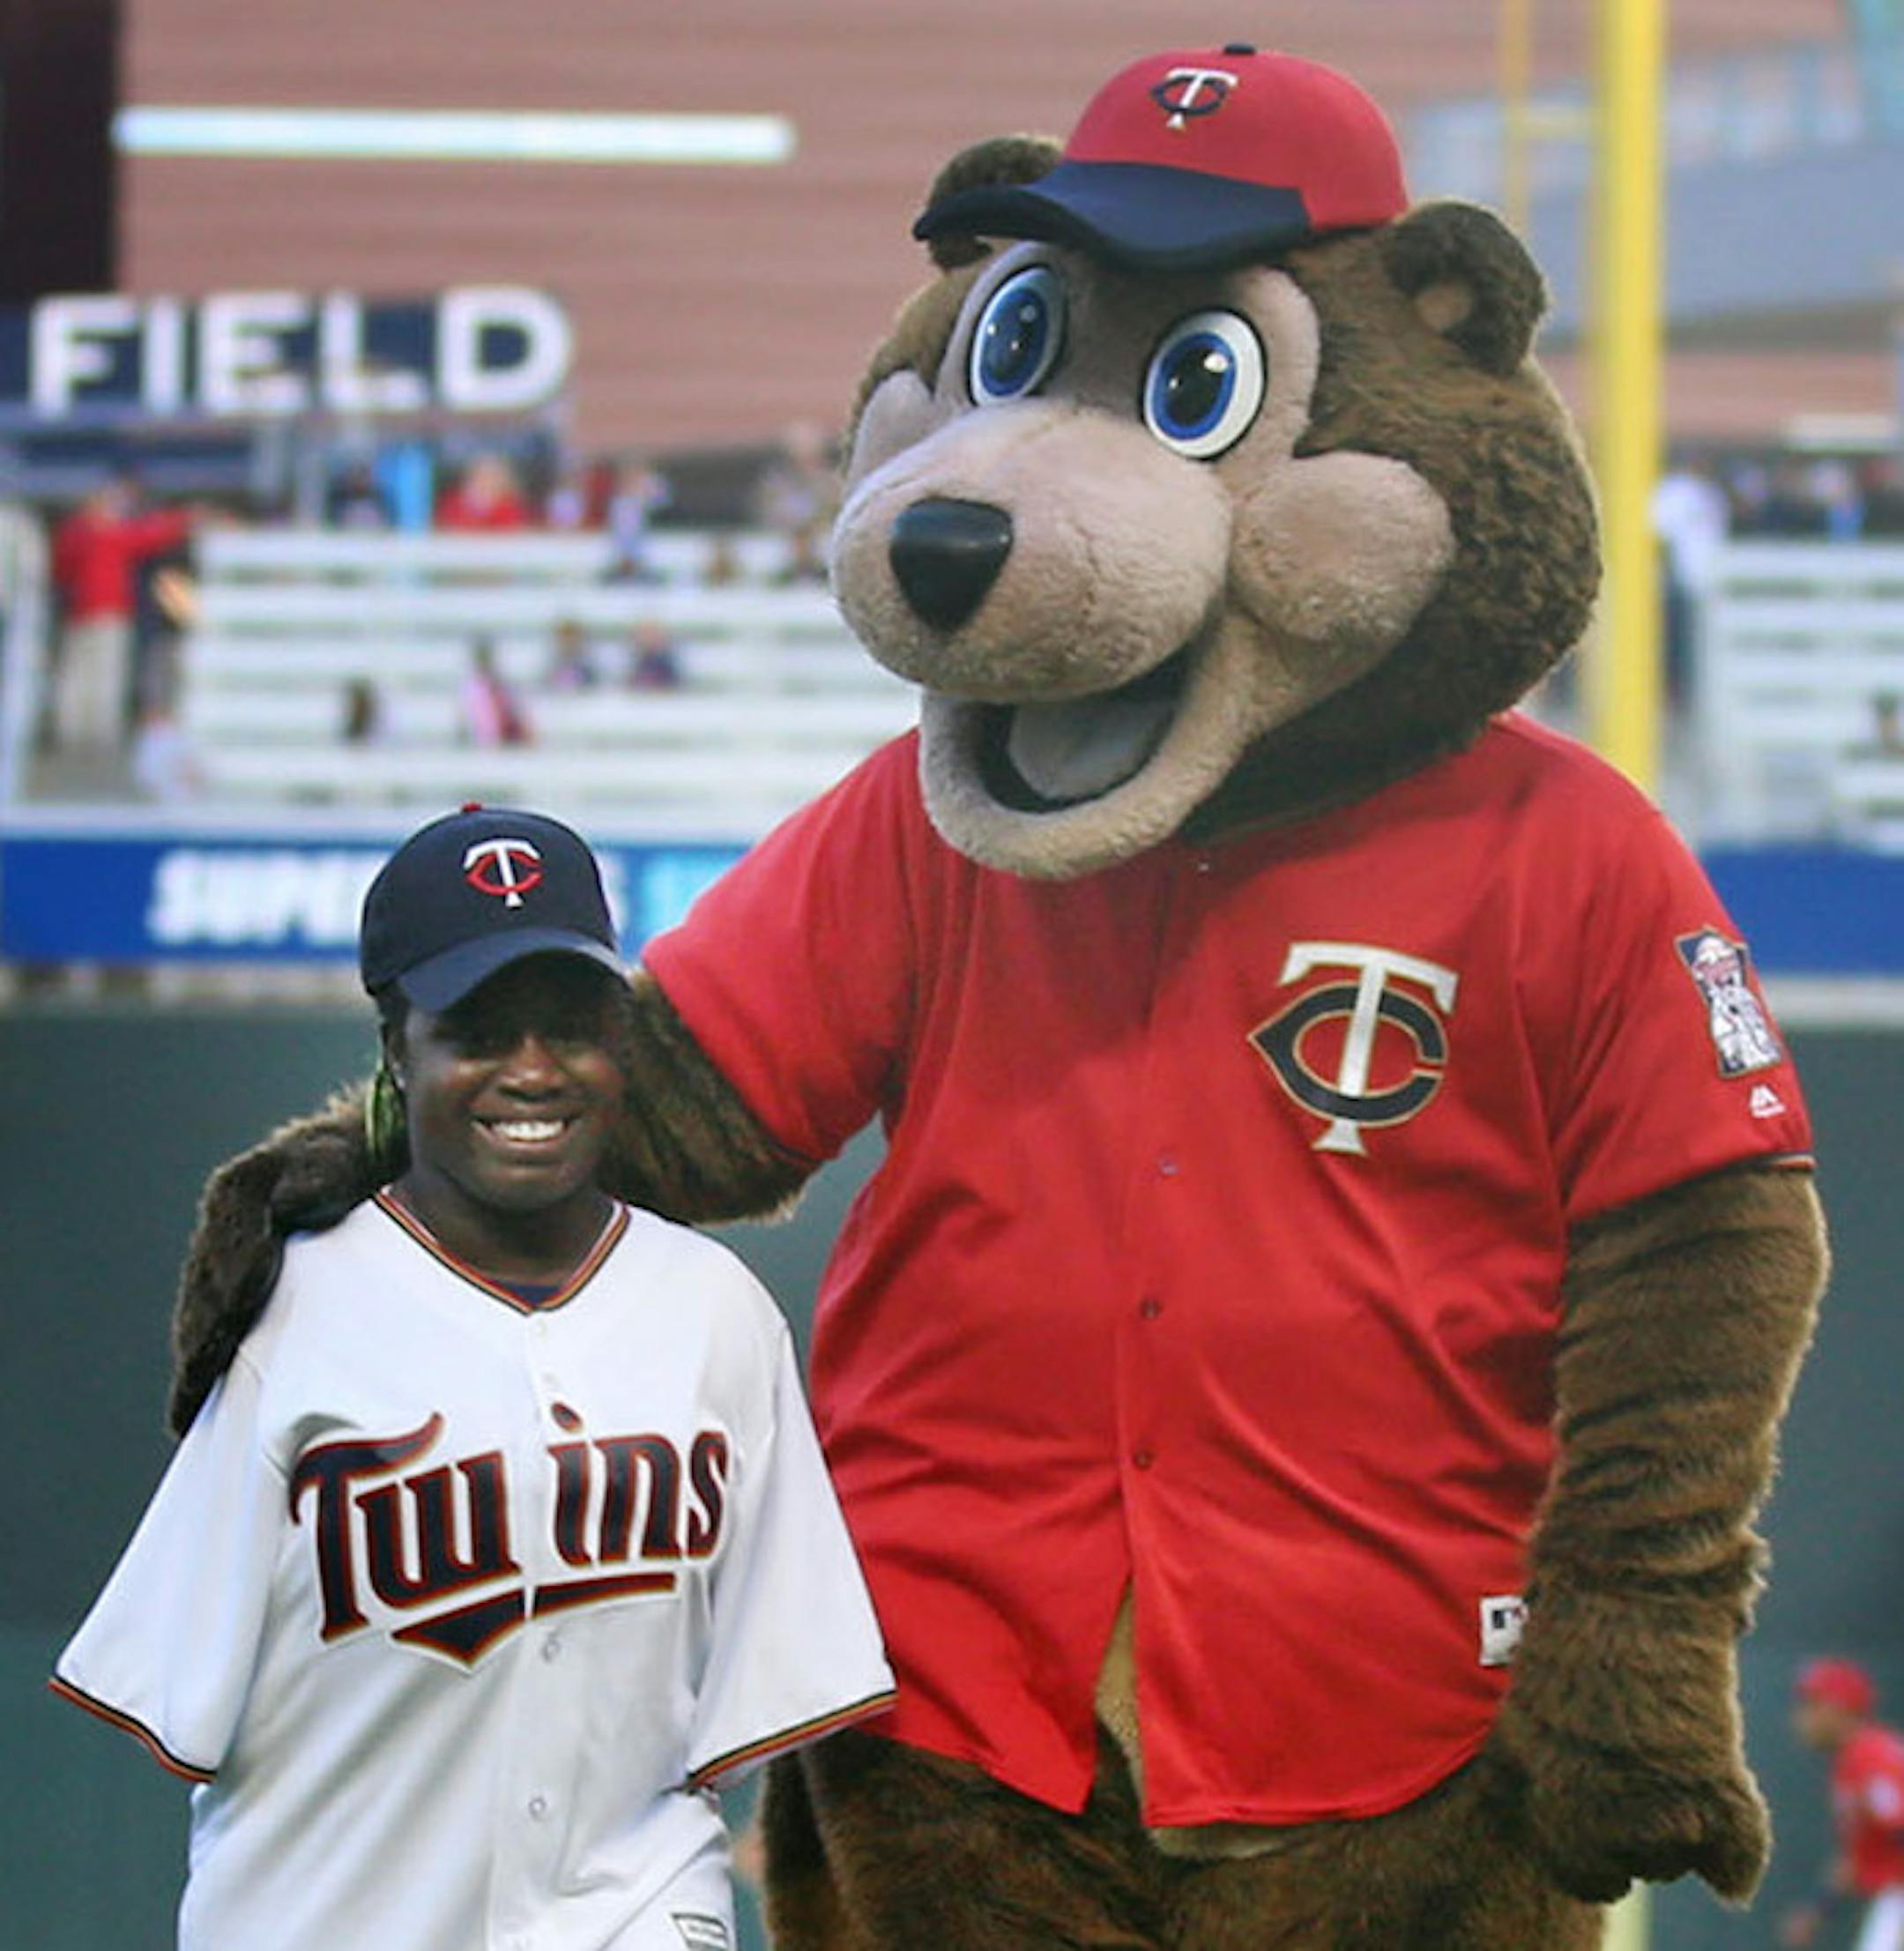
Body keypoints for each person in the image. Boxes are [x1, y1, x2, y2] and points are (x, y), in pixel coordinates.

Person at [50, 803, 895, 1951]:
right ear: (399, 1048)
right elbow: (170, 1687)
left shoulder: (716, 1316)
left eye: (572, 1026)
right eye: (480, 1031)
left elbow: (781, 1679)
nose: (533, 1070)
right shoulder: (292, 1309)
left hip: (633, 1909)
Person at [48, 473, 194, 752]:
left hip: (78, 612)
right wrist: (186, 518)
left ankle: (69, 730)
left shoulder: (73, 533)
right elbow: (152, 534)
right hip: (109, 612)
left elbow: (61, 571)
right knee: (105, 674)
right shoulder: (108, 534)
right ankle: (100, 734)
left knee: (75, 675)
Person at [1782, 1658, 1904, 1951]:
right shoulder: (1851, 1761)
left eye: (1812, 1705)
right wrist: (1817, 1913)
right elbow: (1854, 1860)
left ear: (1840, 1709)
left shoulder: (1871, 1756)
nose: (1802, 1718)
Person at [458, 636, 532, 747]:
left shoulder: (502, 686)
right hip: (481, 744)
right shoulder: (469, 689)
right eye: (482, 658)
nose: (484, 661)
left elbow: (514, 716)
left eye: (486, 657)